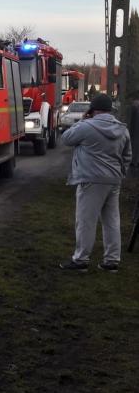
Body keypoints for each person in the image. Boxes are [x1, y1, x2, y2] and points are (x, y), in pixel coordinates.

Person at [60, 93, 131, 272]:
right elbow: (127, 156)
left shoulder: (86, 126)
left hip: (91, 180)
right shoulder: (122, 129)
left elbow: (66, 139)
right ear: (110, 110)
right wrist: (120, 173)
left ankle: (81, 260)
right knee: (112, 220)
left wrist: (83, 120)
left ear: (92, 109)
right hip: (114, 180)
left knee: (86, 221)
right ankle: (111, 261)